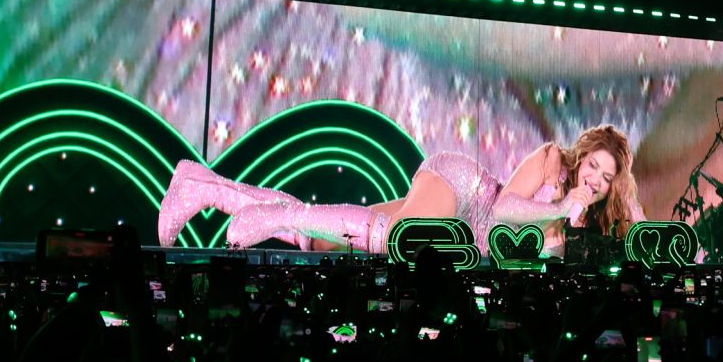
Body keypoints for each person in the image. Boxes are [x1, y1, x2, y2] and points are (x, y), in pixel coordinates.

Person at [156, 125, 639, 254]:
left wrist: (628, 205)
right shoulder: (554, 163)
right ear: (582, 156)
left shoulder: (577, 218)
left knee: (327, 241)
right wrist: (558, 205)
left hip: (455, 228)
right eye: (594, 165)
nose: (594, 179)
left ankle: (203, 186)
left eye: (606, 177)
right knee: (396, 238)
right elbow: (500, 214)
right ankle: (273, 219)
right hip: (463, 191)